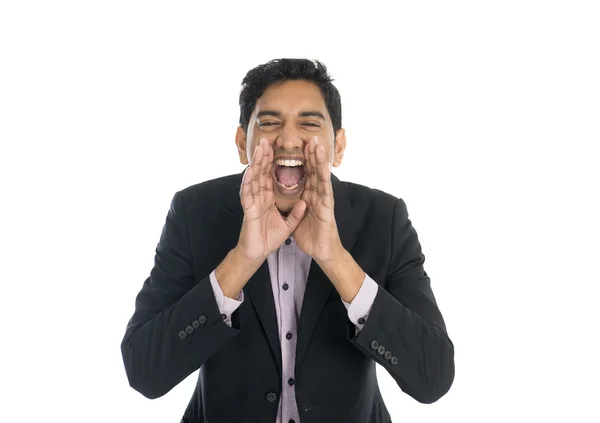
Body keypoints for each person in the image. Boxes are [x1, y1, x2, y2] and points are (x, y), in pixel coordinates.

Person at [121, 58, 455, 423]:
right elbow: (144, 371)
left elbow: (432, 378)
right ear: (241, 144)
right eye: (269, 122)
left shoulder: (384, 218)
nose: (289, 139)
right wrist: (242, 260)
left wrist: (336, 259)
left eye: (309, 123)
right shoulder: (194, 213)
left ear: (338, 146)